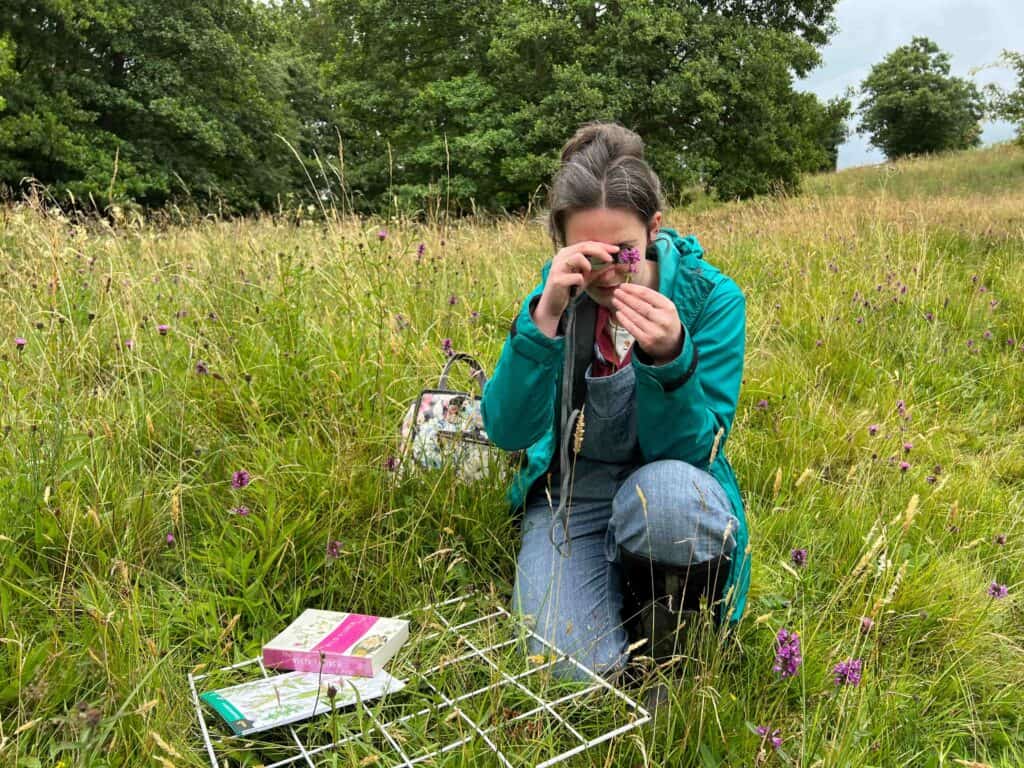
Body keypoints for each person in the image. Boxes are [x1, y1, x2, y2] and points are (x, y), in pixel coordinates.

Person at [480, 121, 750, 683]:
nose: (605, 273)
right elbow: (507, 429)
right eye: (589, 253)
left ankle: (670, 646)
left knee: (671, 498)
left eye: (623, 251)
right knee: (566, 670)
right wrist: (543, 321)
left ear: (654, 228)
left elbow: (697, 451)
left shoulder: (713, 300)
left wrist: (671, 359)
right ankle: (611, 606)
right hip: (572, 494)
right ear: (561, 243)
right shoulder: (558, 292)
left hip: (669, 485)